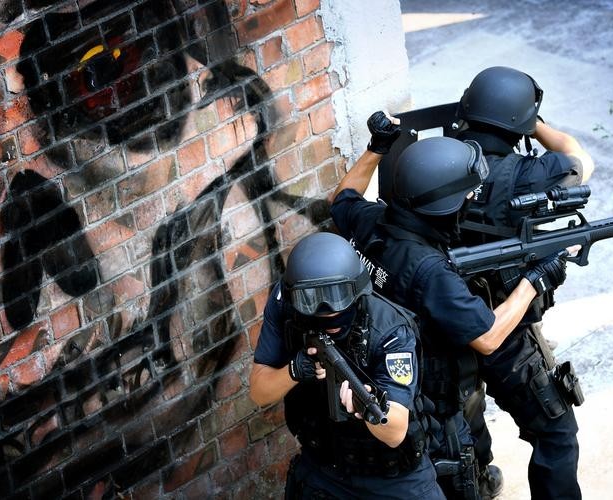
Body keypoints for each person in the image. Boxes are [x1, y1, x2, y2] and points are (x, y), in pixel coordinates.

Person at [329, 120, 570, 499]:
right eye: (465, 196)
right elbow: (488, 337)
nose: (470, 201)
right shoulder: (430, 271)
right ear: (442, 206)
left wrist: (377, 148)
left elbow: (342, 198)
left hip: (382, 383)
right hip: (429, 406)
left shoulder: (372, 222)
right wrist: (534, 281)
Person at [452, 66, 593, 499]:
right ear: (521, 121)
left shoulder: (433, 161)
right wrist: (538, 126)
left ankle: (479, 479)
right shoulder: (529, 174)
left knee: (460, 422)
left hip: (444, 315)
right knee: (556, 432)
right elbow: (580, 159)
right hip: (506, 322)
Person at [249, 232, 445, 499]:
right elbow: (259, 392)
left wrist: (364, 408)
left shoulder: (390, 332)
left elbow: (395, 431)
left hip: (392, 476)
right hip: (324, 467)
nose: (329, 312)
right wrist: (293, 371)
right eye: (313, 302)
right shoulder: (286, 305)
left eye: (338, 300)